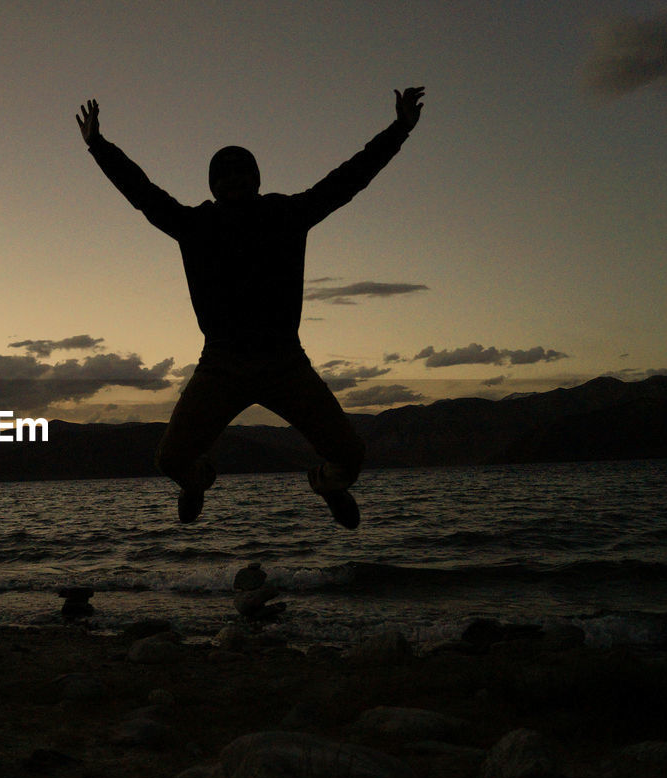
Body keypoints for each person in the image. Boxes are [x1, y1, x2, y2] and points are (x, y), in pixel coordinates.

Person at [76, 87, 424, 528]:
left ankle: (328, 483)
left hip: (285, 363)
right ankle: (197, 480)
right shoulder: (195, 225)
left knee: (351, 456)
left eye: (243, 174)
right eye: (226, 176)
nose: (235, 182)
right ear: (214, 186)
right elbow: (142, 192)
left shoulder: (287, 215)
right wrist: (98, 146)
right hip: (220, 364)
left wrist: (399, 130)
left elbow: (349, 179)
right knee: (170, 459)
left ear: (257, 179)